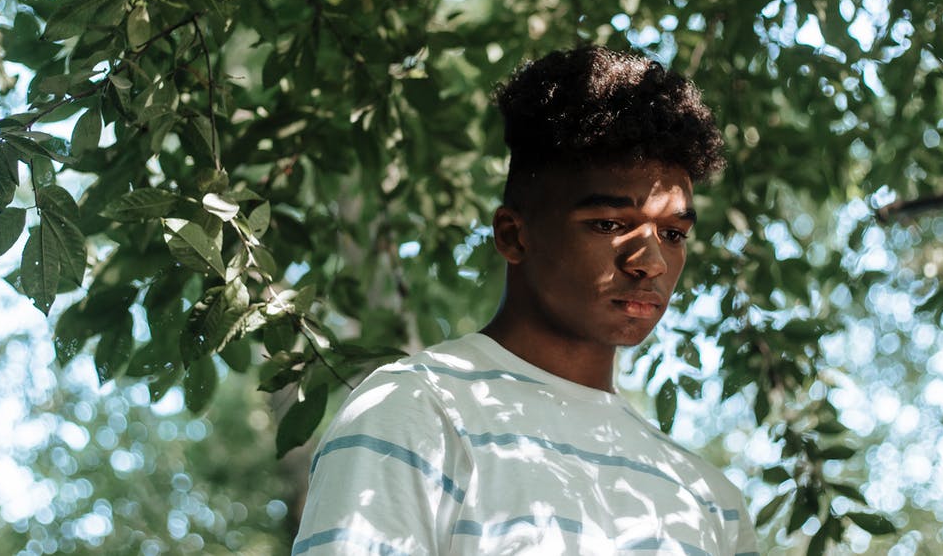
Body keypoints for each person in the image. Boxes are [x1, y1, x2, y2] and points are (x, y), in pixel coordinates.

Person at [291, 46, 758, 555]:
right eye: (608, 224)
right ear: (514, 236)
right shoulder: (418, 413)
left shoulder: (711, 503)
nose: (651, 262)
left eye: (672, 234)